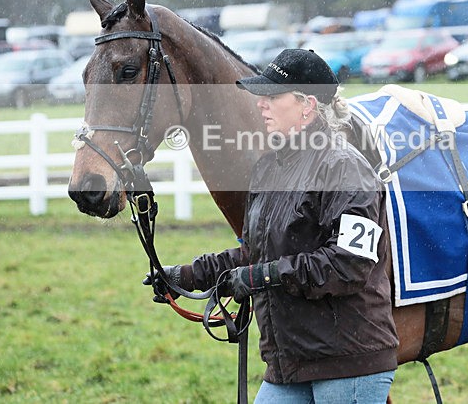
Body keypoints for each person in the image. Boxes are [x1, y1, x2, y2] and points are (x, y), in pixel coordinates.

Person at [144, 49, 399, 403]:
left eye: (272, 96)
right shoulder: (269, 168)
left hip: (349, 361)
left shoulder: (345, 168)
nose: (260, 104)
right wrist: (187, 276)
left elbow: (349, 265)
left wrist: (260, 277)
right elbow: (257, 251)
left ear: (307, 105)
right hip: (290, 361)